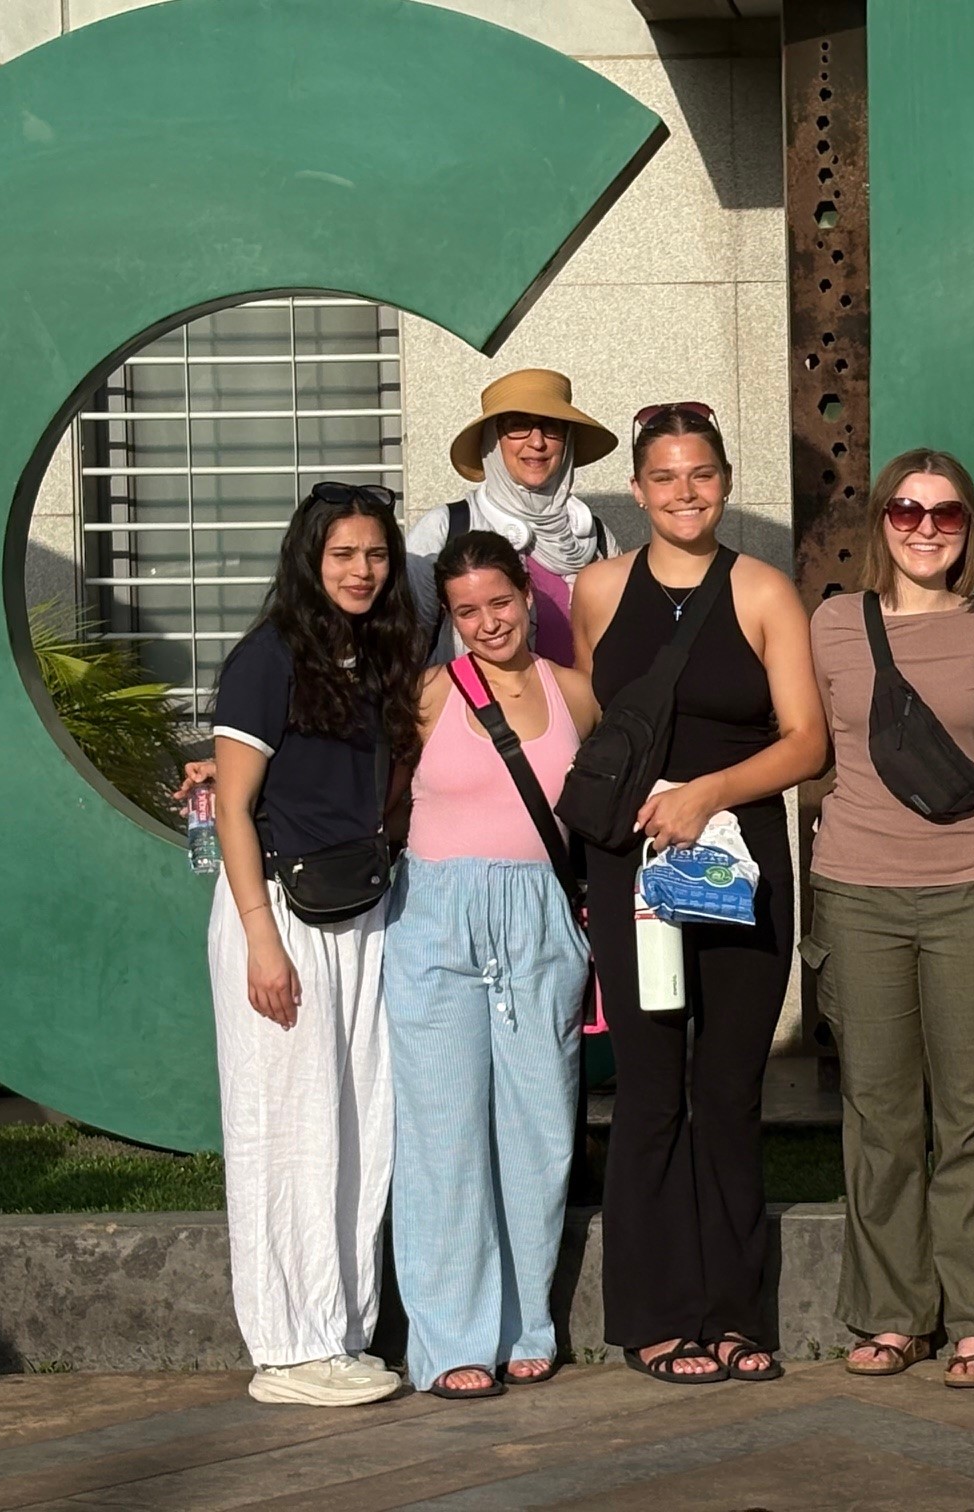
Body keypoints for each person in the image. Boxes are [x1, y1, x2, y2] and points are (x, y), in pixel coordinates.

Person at [570, 402, 826, 1384]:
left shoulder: (764, 591)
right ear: (638, 490)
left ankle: (733, 1314)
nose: (685, 492)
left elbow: (807, 742)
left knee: (725, 1089)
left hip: (737, 857)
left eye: (702, 475)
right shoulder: (595, 590)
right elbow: (602, 729)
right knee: (647, 1090)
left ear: (724, 481)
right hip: (634, 868)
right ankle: (652, 1315)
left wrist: (707, 794)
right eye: (665, 477)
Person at [805, 448, 974, 1390]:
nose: (925, 529)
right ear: (881, 524)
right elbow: (806, 741)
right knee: (879, 1110)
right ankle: (893, 1314)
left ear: (969, 528)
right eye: (907, 511)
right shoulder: (830, 625)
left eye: (946, 515)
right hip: (857, 890)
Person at [204, 482, 422, 1406]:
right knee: (285, 1125)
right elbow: (233, 808)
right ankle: (289, 1349)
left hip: (360, 907)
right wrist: (261, 940)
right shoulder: (268, 657)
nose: (362, 571)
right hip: (281, 914)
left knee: (359, 1125)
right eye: (343, 555)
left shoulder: (371, 656)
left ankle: (341, 1332)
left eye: (375, 555)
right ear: (308, 558)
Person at [383, 530, 599, 1399]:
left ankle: (525, 1324)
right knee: (442, 1136)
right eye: (466, 611)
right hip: (434, 920)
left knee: (542, 1131)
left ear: (526, 596)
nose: (487, 622)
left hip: (539, 918)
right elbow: (339, 768)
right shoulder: (426, 696)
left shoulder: (578, 695)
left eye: (499, 602)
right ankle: (449, 1341)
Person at [408, 368, 622, 666]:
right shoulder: (446, 528)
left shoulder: (593, 536)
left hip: (583, 710)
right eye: (518, 426)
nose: (537, 442)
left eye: (552, 427)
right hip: (474, 710)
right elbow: (405, 648)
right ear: (491, 440)